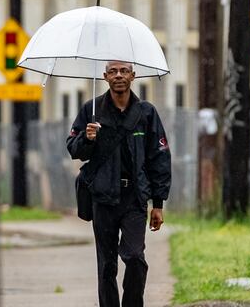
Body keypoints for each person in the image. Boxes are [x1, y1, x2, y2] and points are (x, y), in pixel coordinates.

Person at [66, 60, 172, 307]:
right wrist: (87, 138)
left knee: (135, 257)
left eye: (124, 71)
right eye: (113, 71)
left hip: (134, 198)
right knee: (107, 265)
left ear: (133, 76)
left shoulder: (146, 113)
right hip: (102, 198)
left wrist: (158, 203)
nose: (119, 75)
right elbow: (73, 149)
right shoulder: (91, 110)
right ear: (105, 77)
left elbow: (160, 158)